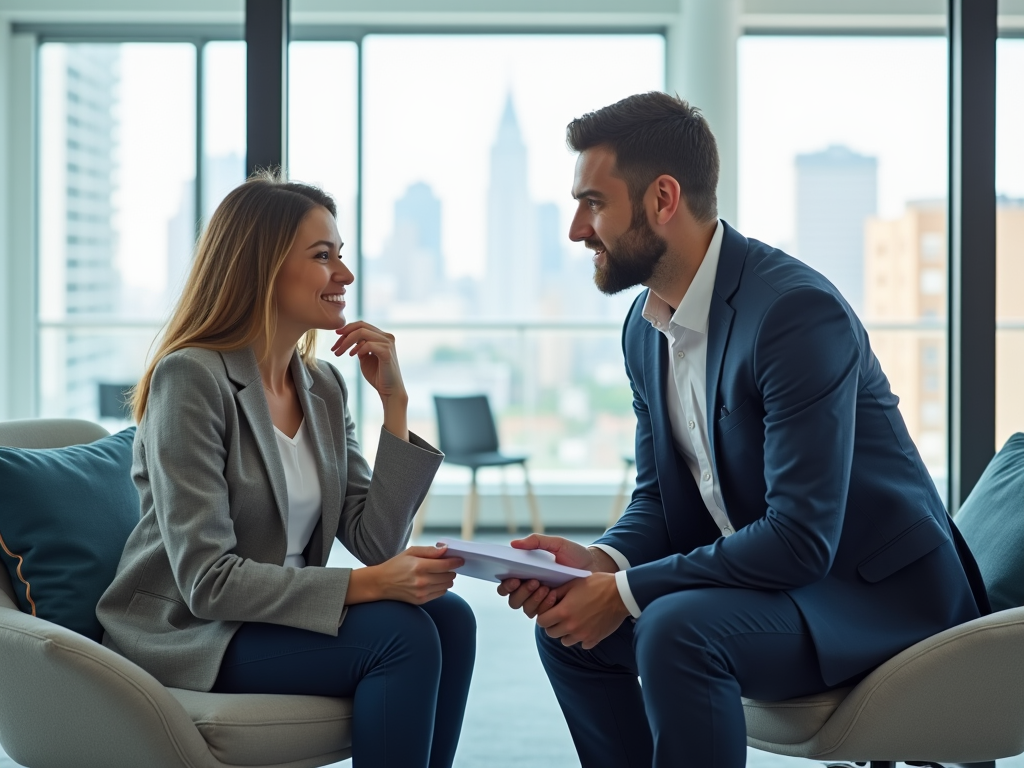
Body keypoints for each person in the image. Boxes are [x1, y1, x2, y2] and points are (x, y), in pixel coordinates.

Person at [497, 92, 989, 768]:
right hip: (782, 584)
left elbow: (799, 540)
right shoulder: (645, 326)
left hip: (876, 596)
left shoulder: (793, 315)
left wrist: (625, 592)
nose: (578, 229)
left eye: (595, 203)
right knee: (567, 631)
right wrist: (601, 564)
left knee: (674, 629)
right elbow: (659, 502)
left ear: (663, 199)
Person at [97, 173, 475, 768]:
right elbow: (207, 580)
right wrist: (372, 586)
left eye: (341, 256)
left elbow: (376, 543)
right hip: (196, 630)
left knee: (451, 619)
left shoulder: (322, 386)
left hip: (277, 614)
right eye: (323, 257)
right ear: (262, 268)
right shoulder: (192, 378)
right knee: (401, 638)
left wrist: (394, 403)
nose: (345, 276)